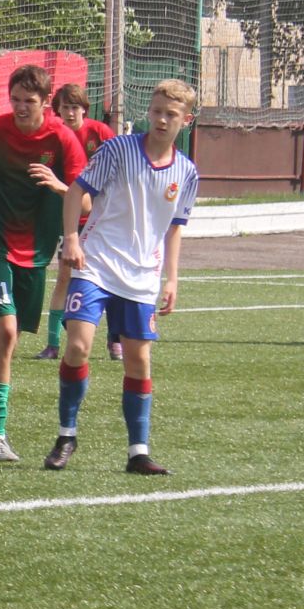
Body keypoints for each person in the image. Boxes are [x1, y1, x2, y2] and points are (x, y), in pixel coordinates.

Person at [44, 80, 200, 476]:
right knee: (78, 346)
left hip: (142, 277)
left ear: (186, 120)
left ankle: (138, 452)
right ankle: (66, 435)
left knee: (139, 360)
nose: (161, 119)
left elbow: (175, 228)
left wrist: (172, 279)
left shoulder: (186, 172)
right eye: (157, 111)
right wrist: (72, 239)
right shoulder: (117, 150)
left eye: (171, 114)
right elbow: (76, 191)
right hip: (96, 263)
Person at [0, 64, 86, 464]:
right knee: (6, 332)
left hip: (35, 252)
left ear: (47, 102)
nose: (21, 107)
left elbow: (86, 200)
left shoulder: (62, 139)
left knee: (5, 343)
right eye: (15, 100)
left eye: (29, 101)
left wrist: (60, 186)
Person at [35, 83, 119, 361]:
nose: (70, 113)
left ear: (85, 109)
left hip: (102, 220)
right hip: (70, 220)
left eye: (75, 107)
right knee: (64, 277)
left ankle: (115, 340)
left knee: (110, 277)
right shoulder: (54, 138)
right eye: (65, 108)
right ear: (57, 110)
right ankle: (52, 343)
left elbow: (118, 169)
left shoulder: (100, 134)